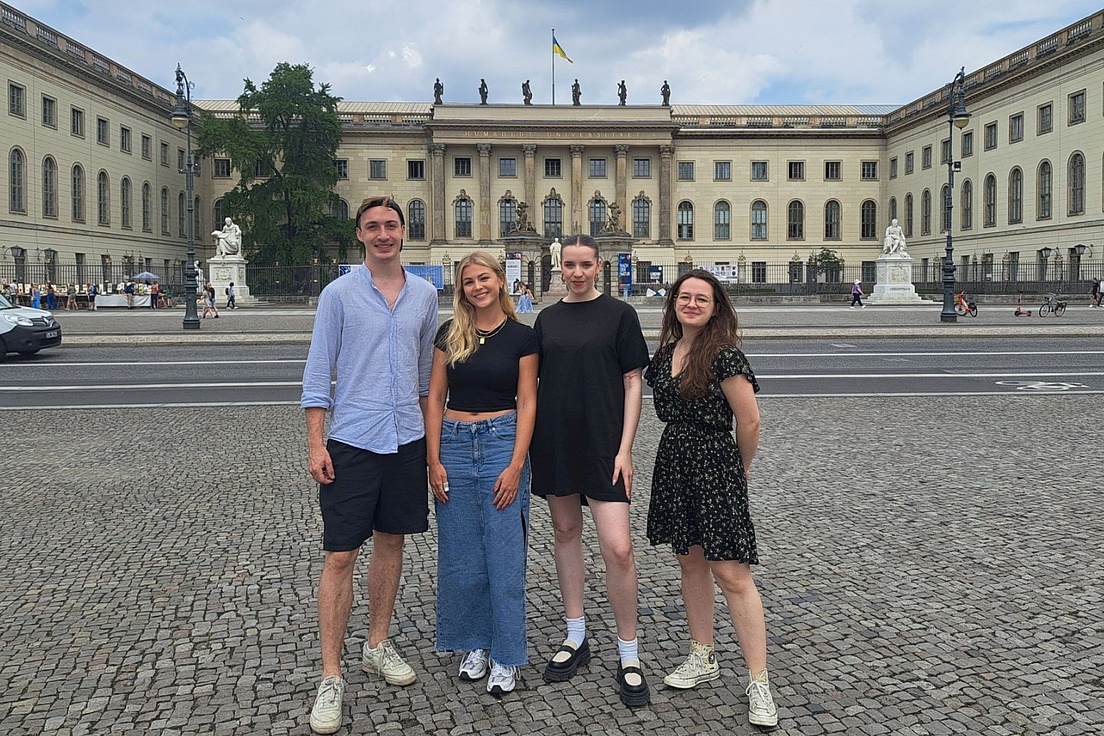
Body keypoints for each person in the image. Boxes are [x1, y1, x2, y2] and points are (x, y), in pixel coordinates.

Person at [301, 195, 438, 735]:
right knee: (340, 555)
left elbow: (426, 376)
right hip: (354, 439)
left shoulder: (424, 294)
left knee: (391, 543)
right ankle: (330, 675)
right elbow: (318, 372)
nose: (383, 234)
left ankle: (377, 643)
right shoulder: (338, 294)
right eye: (373, 226)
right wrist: (317, 444)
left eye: (391, 225)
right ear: (360, 234)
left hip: (406, 437)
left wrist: (431, 448)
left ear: (404, 231)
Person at [644, 269, 777, 729]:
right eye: (685, 296)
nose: (692, 304)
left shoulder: (724, 355)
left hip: (715, 464)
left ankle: (758, 680)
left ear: (716, 307)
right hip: (675, 463)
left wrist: (741, 468)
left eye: (702, 298)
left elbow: (750, 420)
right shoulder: (665, 354)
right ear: (673, 303)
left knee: (732, 573)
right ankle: (702, 654)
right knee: (691, 562)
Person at [530, 233, 652, 707]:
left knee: (618, 549)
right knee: (565, 533)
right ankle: (576, 634)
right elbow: (533, 384)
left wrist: (626, 449)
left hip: (604, 445)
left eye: (585, 264)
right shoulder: (547, 319)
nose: (577, 273)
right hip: (557, 441)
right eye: (570, 265)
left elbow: (633, 384)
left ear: (599, 266)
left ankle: (629, 652)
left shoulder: (620, 315)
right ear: (559, 267)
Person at [425, 251, 539, 697]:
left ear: (500, 281)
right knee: (461, 554)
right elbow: (435, 399)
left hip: (500, 442)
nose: (477, 287)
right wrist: (433, 460)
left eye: (484, 278)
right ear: (462, 290)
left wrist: (516, 464)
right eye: (469, 281)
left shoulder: (522, 337)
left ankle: (506, 654)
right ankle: (475, 642)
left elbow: (527, 401)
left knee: (505, 556)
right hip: (453, 445)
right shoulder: (449, 334)